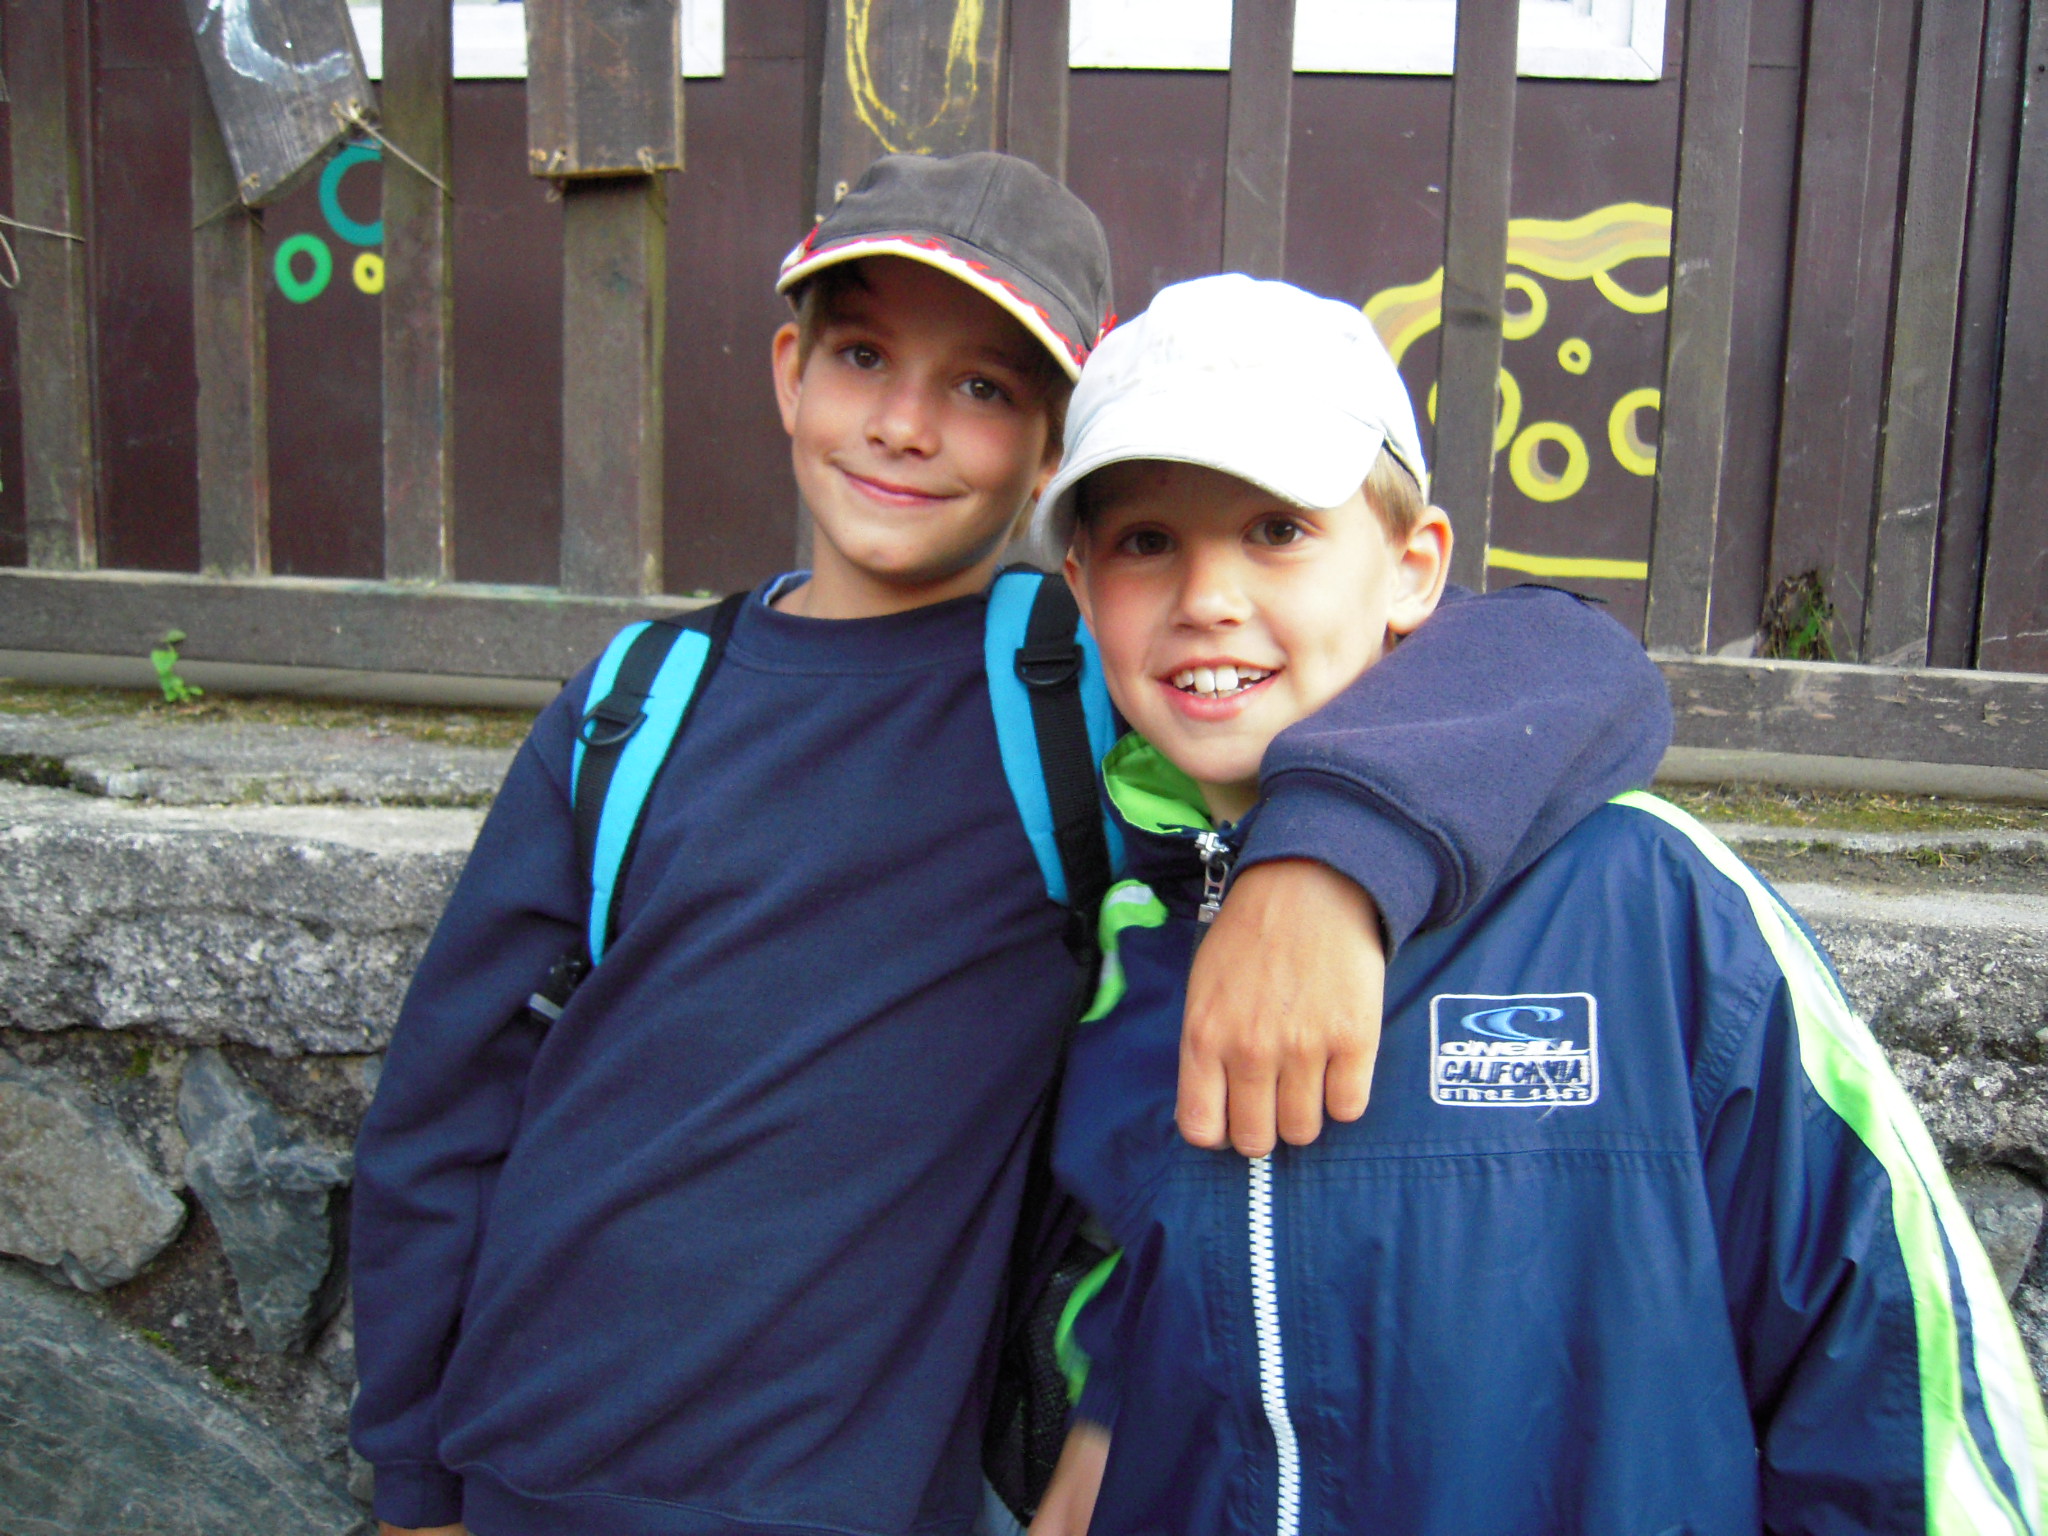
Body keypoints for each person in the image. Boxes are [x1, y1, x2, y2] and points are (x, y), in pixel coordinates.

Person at [350, 155, 1672, 1536]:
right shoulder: (633, 702)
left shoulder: (1090, 677)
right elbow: (446, 1110)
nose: (905, 425)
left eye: (982, 387)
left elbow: (1568, 662)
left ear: (1055, 456)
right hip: (529, 1461)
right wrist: (413, 1480)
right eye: (864, 357)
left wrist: (1325, 867)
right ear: (792, 372)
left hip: (852, 1491)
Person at [1032, 271, 2048, 1536]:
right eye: (1145, 542)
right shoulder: (1131, 940)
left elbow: (1895, 1382)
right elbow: (1150, 1287)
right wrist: (1105, 1429)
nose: (1206, 597)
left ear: (1411, 571)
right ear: (1081, 586)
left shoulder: (1646, 903)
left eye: (1277, 530)